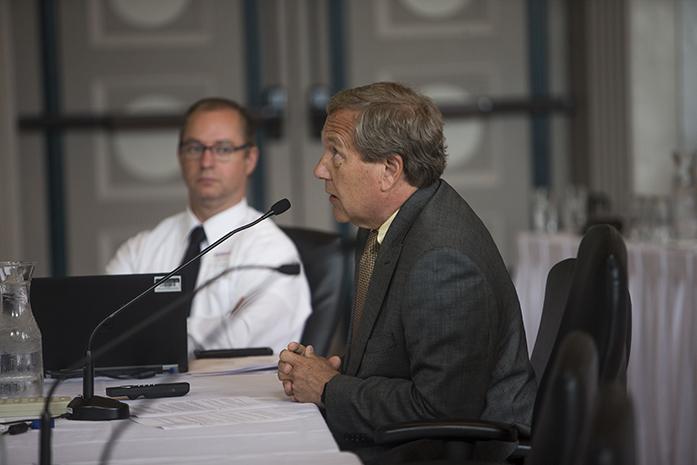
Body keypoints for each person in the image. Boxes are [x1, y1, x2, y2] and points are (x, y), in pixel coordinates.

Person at [277, 82, 536, 461]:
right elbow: (399, 356)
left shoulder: (443, 261)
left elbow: (441, 412)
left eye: (336, 153)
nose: (320, 169)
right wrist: (334, 372)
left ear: (389, 169)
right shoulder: (387, 222)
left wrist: (330, 388)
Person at [107, 97, 312, 354]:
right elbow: (103, 329)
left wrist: (142, 332)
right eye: (194, 148)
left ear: (249, 159)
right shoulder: (142, 247)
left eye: (223, 149)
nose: (206, 162)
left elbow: (243, 341)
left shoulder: (273, 253)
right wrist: (217, 324)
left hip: (239, 393)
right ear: (180, 155)